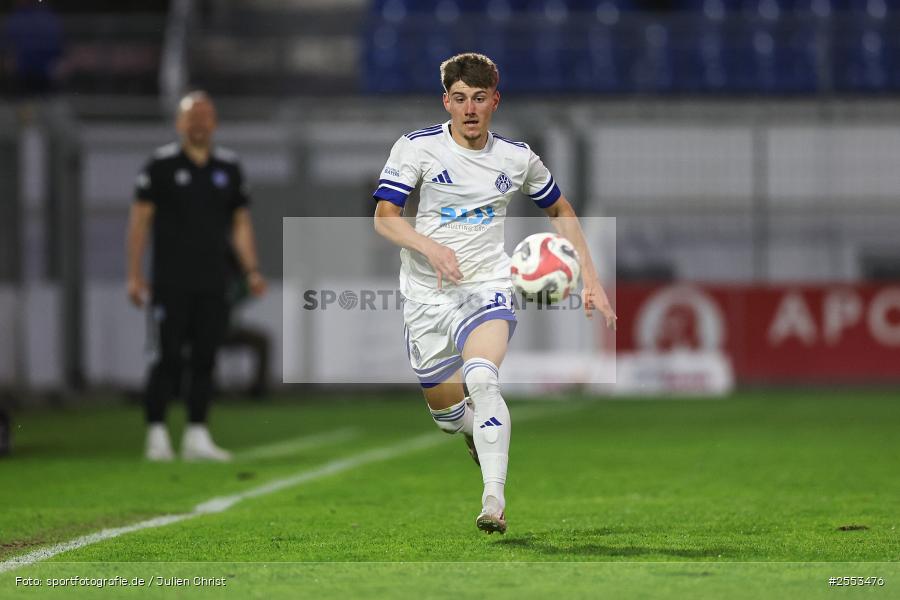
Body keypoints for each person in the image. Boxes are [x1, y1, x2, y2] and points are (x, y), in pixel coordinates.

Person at [372, 53, 616, 534]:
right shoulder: (417, 148)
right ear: (446, 101)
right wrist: (430, 247)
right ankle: (473, 429)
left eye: (479, 98)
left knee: (483, 378)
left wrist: (592, 280)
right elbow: (384, 218)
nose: (469, 109)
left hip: (487, 285)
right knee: (448, 418)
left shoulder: (516, 158)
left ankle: (493, 500)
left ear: (494, 101)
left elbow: (560, 210)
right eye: (459, 98)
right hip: (426, 295)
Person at [127, 91, 267, 462]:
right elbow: (139, 222)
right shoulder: (160, 166)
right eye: (192, 117)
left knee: (206, 357)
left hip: (214, 282)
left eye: (205, 116)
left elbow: (240, 224)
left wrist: (251, 270)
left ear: (214, 123)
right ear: (179, 123)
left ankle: (196, 434)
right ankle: (156, 433)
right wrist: (134, 275)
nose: (199, 123)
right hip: (170, 282)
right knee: (166, 357)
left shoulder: (229, 168)